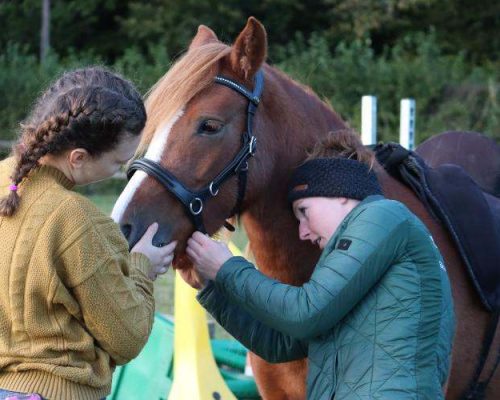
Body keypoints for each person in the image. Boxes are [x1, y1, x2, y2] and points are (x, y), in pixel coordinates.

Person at [184, 132, 455, 399]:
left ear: (341, 194)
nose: (303, 232)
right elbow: (278, 343)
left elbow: (305, 312)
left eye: (303, 211)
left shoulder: (382, 215)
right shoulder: (364, 258)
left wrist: (226, 267)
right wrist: (211, 287)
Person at [0, 67, 176, 400]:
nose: (120, 170)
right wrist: (142, 269)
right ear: (78, 158)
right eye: (117, 162)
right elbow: (127, 337)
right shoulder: (76, 222)